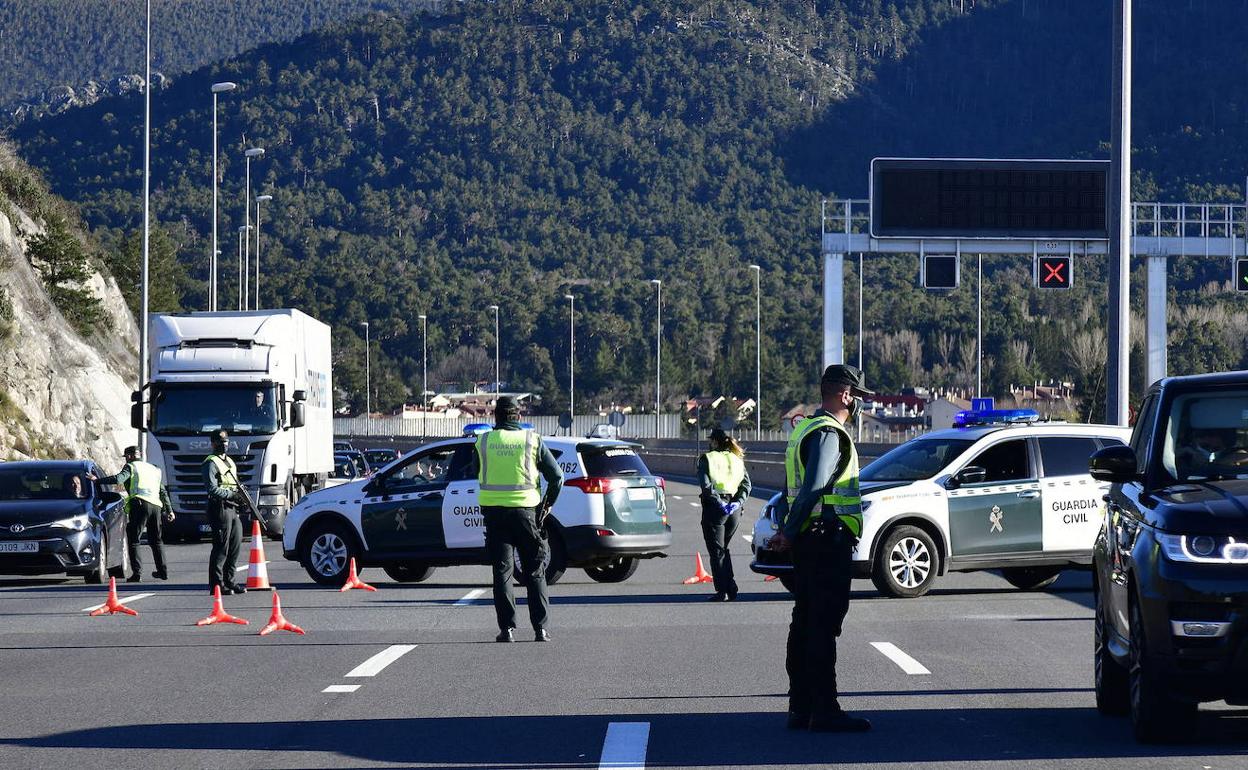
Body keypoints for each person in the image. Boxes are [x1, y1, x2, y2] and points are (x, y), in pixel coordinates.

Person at [767, 364, 872, 733]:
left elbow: (788, 491)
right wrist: (791, 532)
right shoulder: (830, 433)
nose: (859, 405)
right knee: (822, 626)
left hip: (810, 540)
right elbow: (813, 487)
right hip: (826, 540)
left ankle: (801, 707)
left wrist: (787, 530)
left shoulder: (804, 430)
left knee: (805, 622)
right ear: (845, 395)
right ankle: (824, 709)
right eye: (858, 397)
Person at [476, 395, 563, 642]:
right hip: (527, 514)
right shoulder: (531, 440)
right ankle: (541, 629)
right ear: (519, 416)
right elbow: (557, 477)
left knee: (502, 571)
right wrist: (546, 505)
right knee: (535, 570)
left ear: (496, 416)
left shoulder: (483, 442)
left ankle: (507, 630)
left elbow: (477, 471)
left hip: (495, 515)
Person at [89, 447, 174, 582]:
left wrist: (97, 480)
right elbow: (162, 491)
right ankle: (163, 571)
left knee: (134, 540)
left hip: (140, 504)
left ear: (129, 456)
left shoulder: (131, 467)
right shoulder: (154, 469)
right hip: (156, 506)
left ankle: (137, 573)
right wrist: (169, 510)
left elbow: (118, 479)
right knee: (156, 540)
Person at [697, 427, 752, 601]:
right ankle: (731, 586)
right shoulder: (736, 459)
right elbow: (747, 485)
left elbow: (706, 487)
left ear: (714, 441)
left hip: (716, 508)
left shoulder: (708, 459)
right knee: (723, 548)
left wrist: (719, 502)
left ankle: (723, 591)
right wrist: (737, 502)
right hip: (734, 510)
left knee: (717, 551)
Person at [203, 429, 247, 595]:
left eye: (226, 441)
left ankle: (230, 581)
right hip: (219, 507)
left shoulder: (229, 461)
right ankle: (217, 585)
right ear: (213, 443)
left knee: (235, 545)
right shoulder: (210, 462)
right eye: (221, 441)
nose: (224, 444)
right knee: (221, 546)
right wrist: (232, 495)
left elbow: (234, 484)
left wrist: (241, 499)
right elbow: (212, 489)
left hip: (232, 507)